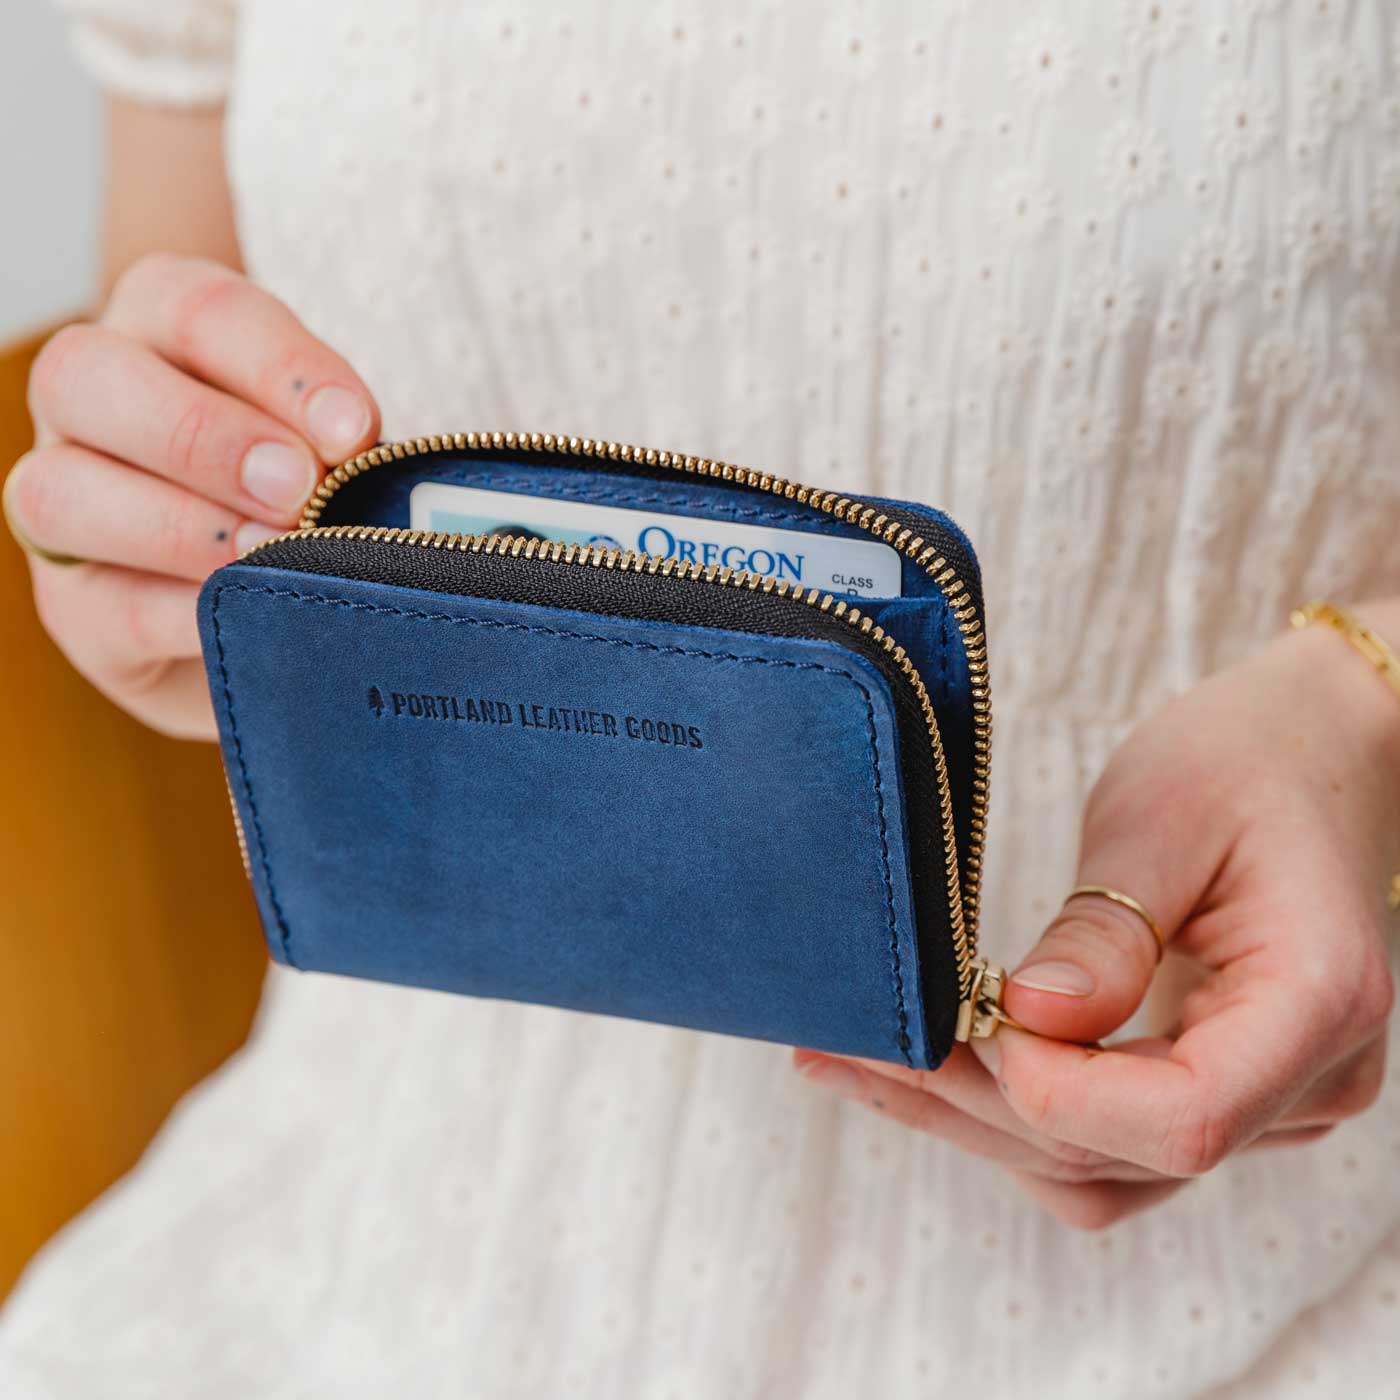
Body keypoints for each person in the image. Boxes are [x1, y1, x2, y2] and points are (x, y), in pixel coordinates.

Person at [3, 2, 1399, 1395]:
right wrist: (168, 559)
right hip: (368, 1213)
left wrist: (1359, 709)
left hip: (1259, 1245)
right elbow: (182, 377)